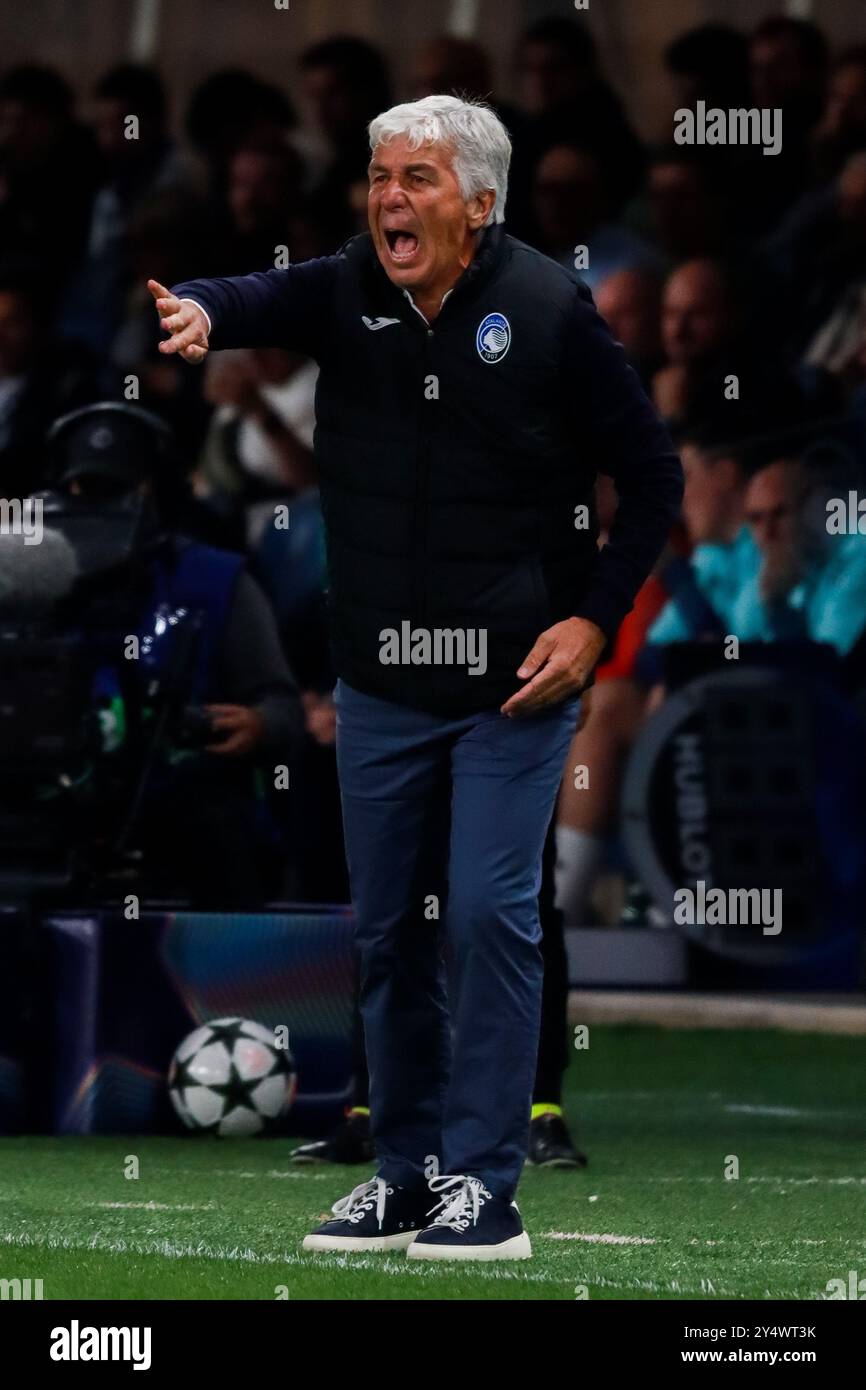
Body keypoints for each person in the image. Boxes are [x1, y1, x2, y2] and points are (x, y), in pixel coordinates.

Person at [152, 94, 682, 1261]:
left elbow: (650, 478)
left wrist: (594, 623)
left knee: (489, 912)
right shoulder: (348, 284)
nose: (390, 198)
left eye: (418, 180)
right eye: (380, 175)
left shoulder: (546, 309)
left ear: (478, 204)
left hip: (515, 681)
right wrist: (199, 308)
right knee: (387, 928)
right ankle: (402, 1172)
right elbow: (256, 297)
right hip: (383, 677)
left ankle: (483, 1186)